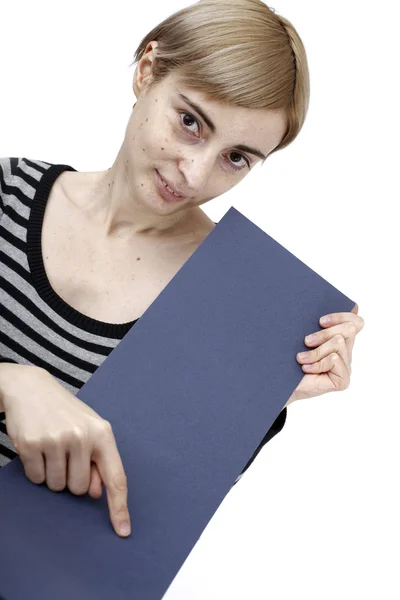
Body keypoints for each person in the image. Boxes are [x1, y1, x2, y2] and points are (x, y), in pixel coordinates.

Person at [0, 0, 363, 540]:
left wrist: (258, 396)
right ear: (147, 71)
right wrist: (11, 381)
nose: (194, 174)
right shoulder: (8, 191)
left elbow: (133, 528)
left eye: (236, 157)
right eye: (191, 122)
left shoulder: (231, 305)